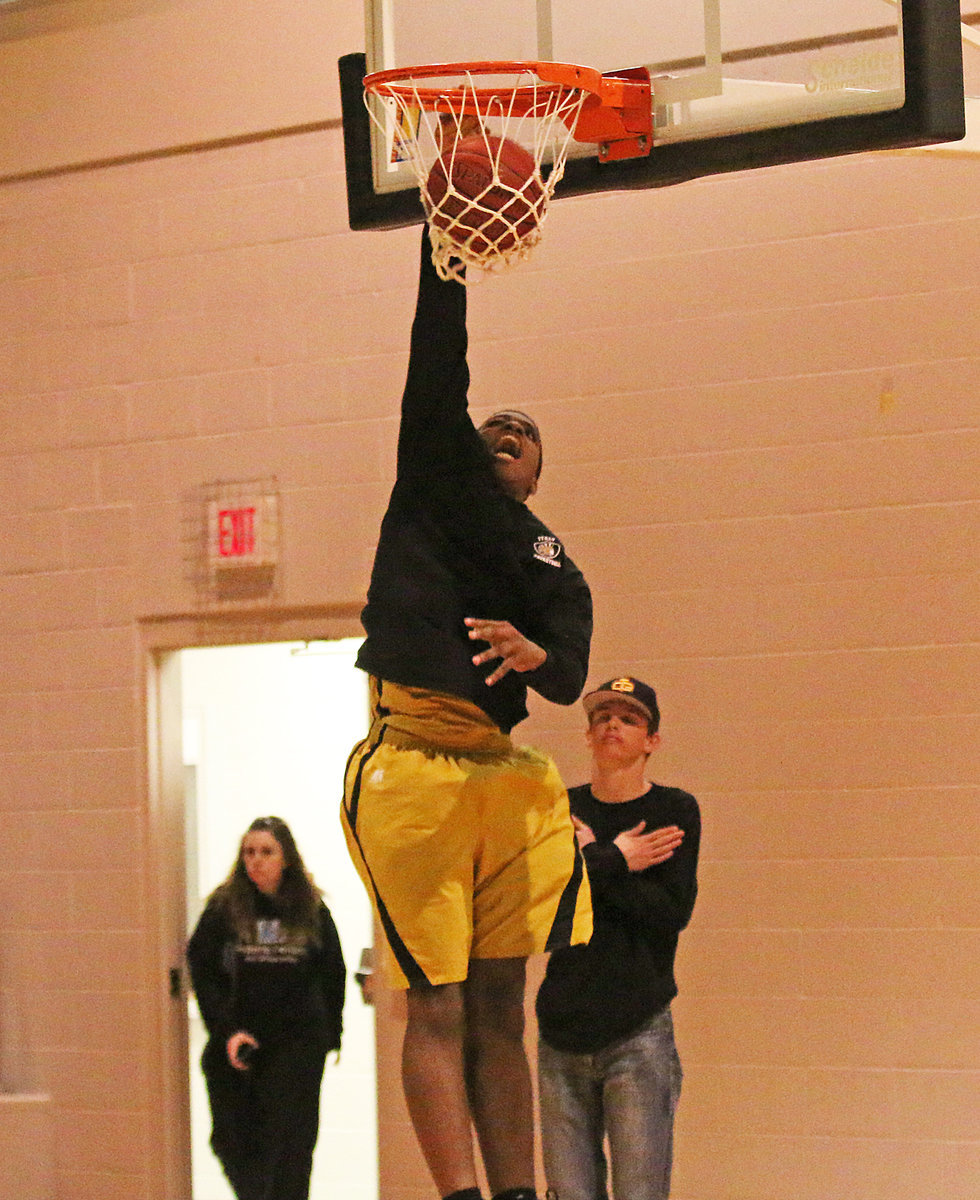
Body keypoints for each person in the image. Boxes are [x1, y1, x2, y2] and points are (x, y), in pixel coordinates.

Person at [340, 225, 594, 1200]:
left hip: (502, 780)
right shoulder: (434, 476)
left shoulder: (549, 563)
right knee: (433, 1002)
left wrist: (537, 655)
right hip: (413, 762)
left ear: (534, 475)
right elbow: (437, 356)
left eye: (526, 436)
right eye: (498, 424)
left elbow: (569, 672)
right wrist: (445, 238)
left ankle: (517, 1192)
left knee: (502, 1006)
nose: (508, 431)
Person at [535, 676, 701, 1200]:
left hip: (637, 1032)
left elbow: (669, 913)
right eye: (603, 717)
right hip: (560, 1033)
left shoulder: (674, 811)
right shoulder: (559, 809)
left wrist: (590, 862)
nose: (612, 725)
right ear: (587, 735)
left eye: (629, 718)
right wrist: (621, 860)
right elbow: (544, 912)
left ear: (651, 741)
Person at [187, 816, 346, 1200]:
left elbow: (332, 971)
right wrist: (224, 1029)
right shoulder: (224, 908)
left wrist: (331, 1033)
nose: (256, 861)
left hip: (297, 1042)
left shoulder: (310, 908)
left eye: (266, 852)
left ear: (286, 857)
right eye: (249, 852)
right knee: (233, 1140)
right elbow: (202, 965)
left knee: (292, 1145)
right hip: (240, 1039)